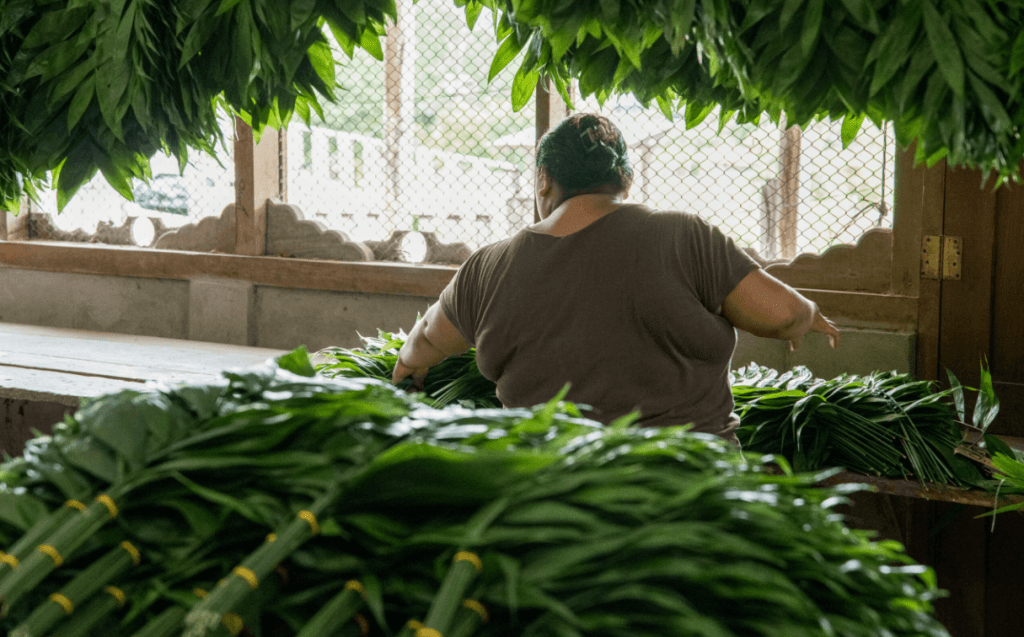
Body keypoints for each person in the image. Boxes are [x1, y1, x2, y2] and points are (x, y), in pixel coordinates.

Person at [393, 113, 839, 445]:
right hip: (693, 492)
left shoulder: (488, 266)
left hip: (552, 495)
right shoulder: (682, 235)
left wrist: (410, 364)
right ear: (623, 180)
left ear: (544, 181)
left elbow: (429, 338)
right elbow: (782, 315)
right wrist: (810, 316)